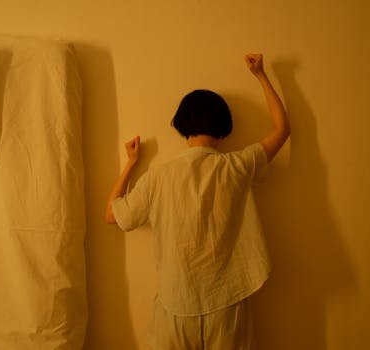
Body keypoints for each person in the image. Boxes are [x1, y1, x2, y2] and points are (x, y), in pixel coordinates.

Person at [105, 53, 290, 350]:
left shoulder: (158, 177)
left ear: (181, 125)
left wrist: (131, 163)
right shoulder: (237, 166)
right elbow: (282, 130)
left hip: (175, 303)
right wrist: (260, 75)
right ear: (224, 126)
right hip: (227, 302)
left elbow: (113, 214)